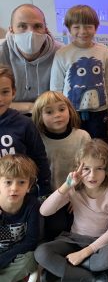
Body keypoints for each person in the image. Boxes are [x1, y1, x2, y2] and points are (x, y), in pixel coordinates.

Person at [34, 139, 108, 282]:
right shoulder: (74, 189)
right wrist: (67, 185)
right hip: (74, 240)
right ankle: (96, 280)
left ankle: (62, 271)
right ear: (78, 169)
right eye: (86, 169)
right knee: (41, 253)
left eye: (99, 168)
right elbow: (44, 211)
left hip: (101, 244)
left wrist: (84, 253)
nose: (92, 175)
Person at [31, 91, 91, 238]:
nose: (57, 115)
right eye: (49, 112)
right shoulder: (37, 139)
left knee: (81, 226)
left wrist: (79, 195)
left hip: (77, 193)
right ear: (40, 117)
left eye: (62, 109)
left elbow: (89, 169)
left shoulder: (82, 136)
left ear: (69, 110)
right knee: (56, 228)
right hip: (50, 196)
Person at [50, 5, 108, 140]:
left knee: (98, 143)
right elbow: (56, 86)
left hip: (99, 110)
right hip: (71, 111)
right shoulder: (62, 53)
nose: (83, 31)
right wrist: (58, 109)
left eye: (88, 26)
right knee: (74, 143)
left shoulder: (104, 51)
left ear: (96, 28)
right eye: (76, 27)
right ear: (69, 29)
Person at [0, 65, 51, 197]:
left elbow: (39, 158)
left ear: (13, 92)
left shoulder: (25, 124)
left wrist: (44, 190)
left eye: (5, 92)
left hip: (22, 193)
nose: (0, 98)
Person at [0, 4, 61, 114]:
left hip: (49, 115)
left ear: (46, 30)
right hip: (8, 115)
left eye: (37, 26)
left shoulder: (62, 54)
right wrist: (30, 107)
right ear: (11, 30)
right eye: (22, 26)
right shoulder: (1, 52)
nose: (31, 32)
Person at [0, 154, 40, 282]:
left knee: (30, 259)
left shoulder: (32, 205)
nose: (14, 188)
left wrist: (4, 259)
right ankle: (20, 274)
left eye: (21, 182)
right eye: (8, 182)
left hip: (18, 252)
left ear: (29, 185)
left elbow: (31, 241)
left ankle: (11, 275)